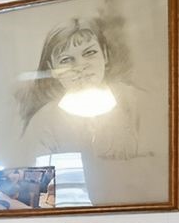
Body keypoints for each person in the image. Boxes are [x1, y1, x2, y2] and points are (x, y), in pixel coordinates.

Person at [10, 14, 164, 205]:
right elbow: (36, 197)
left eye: (89, 53)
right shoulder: (44, 121)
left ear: (105, 55)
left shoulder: (139, 103)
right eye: (66, 60)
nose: (80, 66)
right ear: (52, 69)